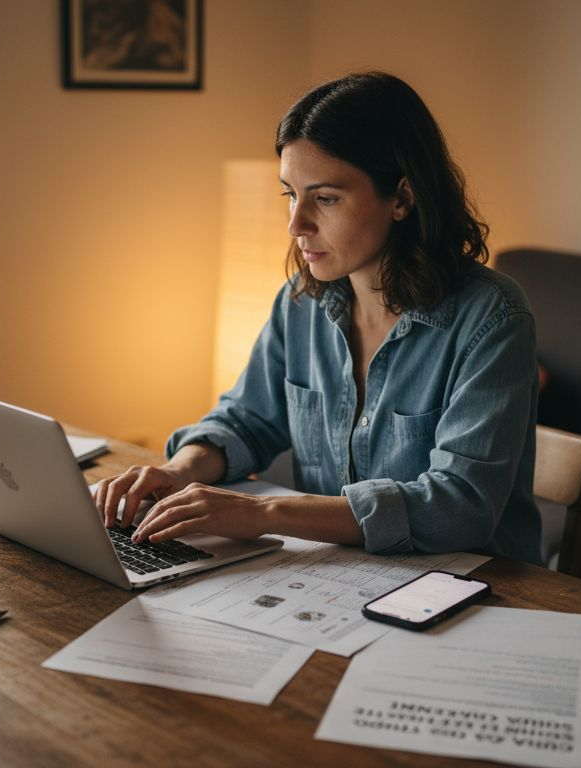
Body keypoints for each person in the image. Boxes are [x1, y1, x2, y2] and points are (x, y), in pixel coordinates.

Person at [94, 71, 542, 564]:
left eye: (325, 199)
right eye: (290, 194)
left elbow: (460, 506)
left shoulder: (493, 317)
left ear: (402, 198)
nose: (296, 225)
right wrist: (182, 470)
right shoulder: (301, 302)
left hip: (475, 588)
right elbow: (247, 419)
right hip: (340, 578)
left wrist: (261, 514)